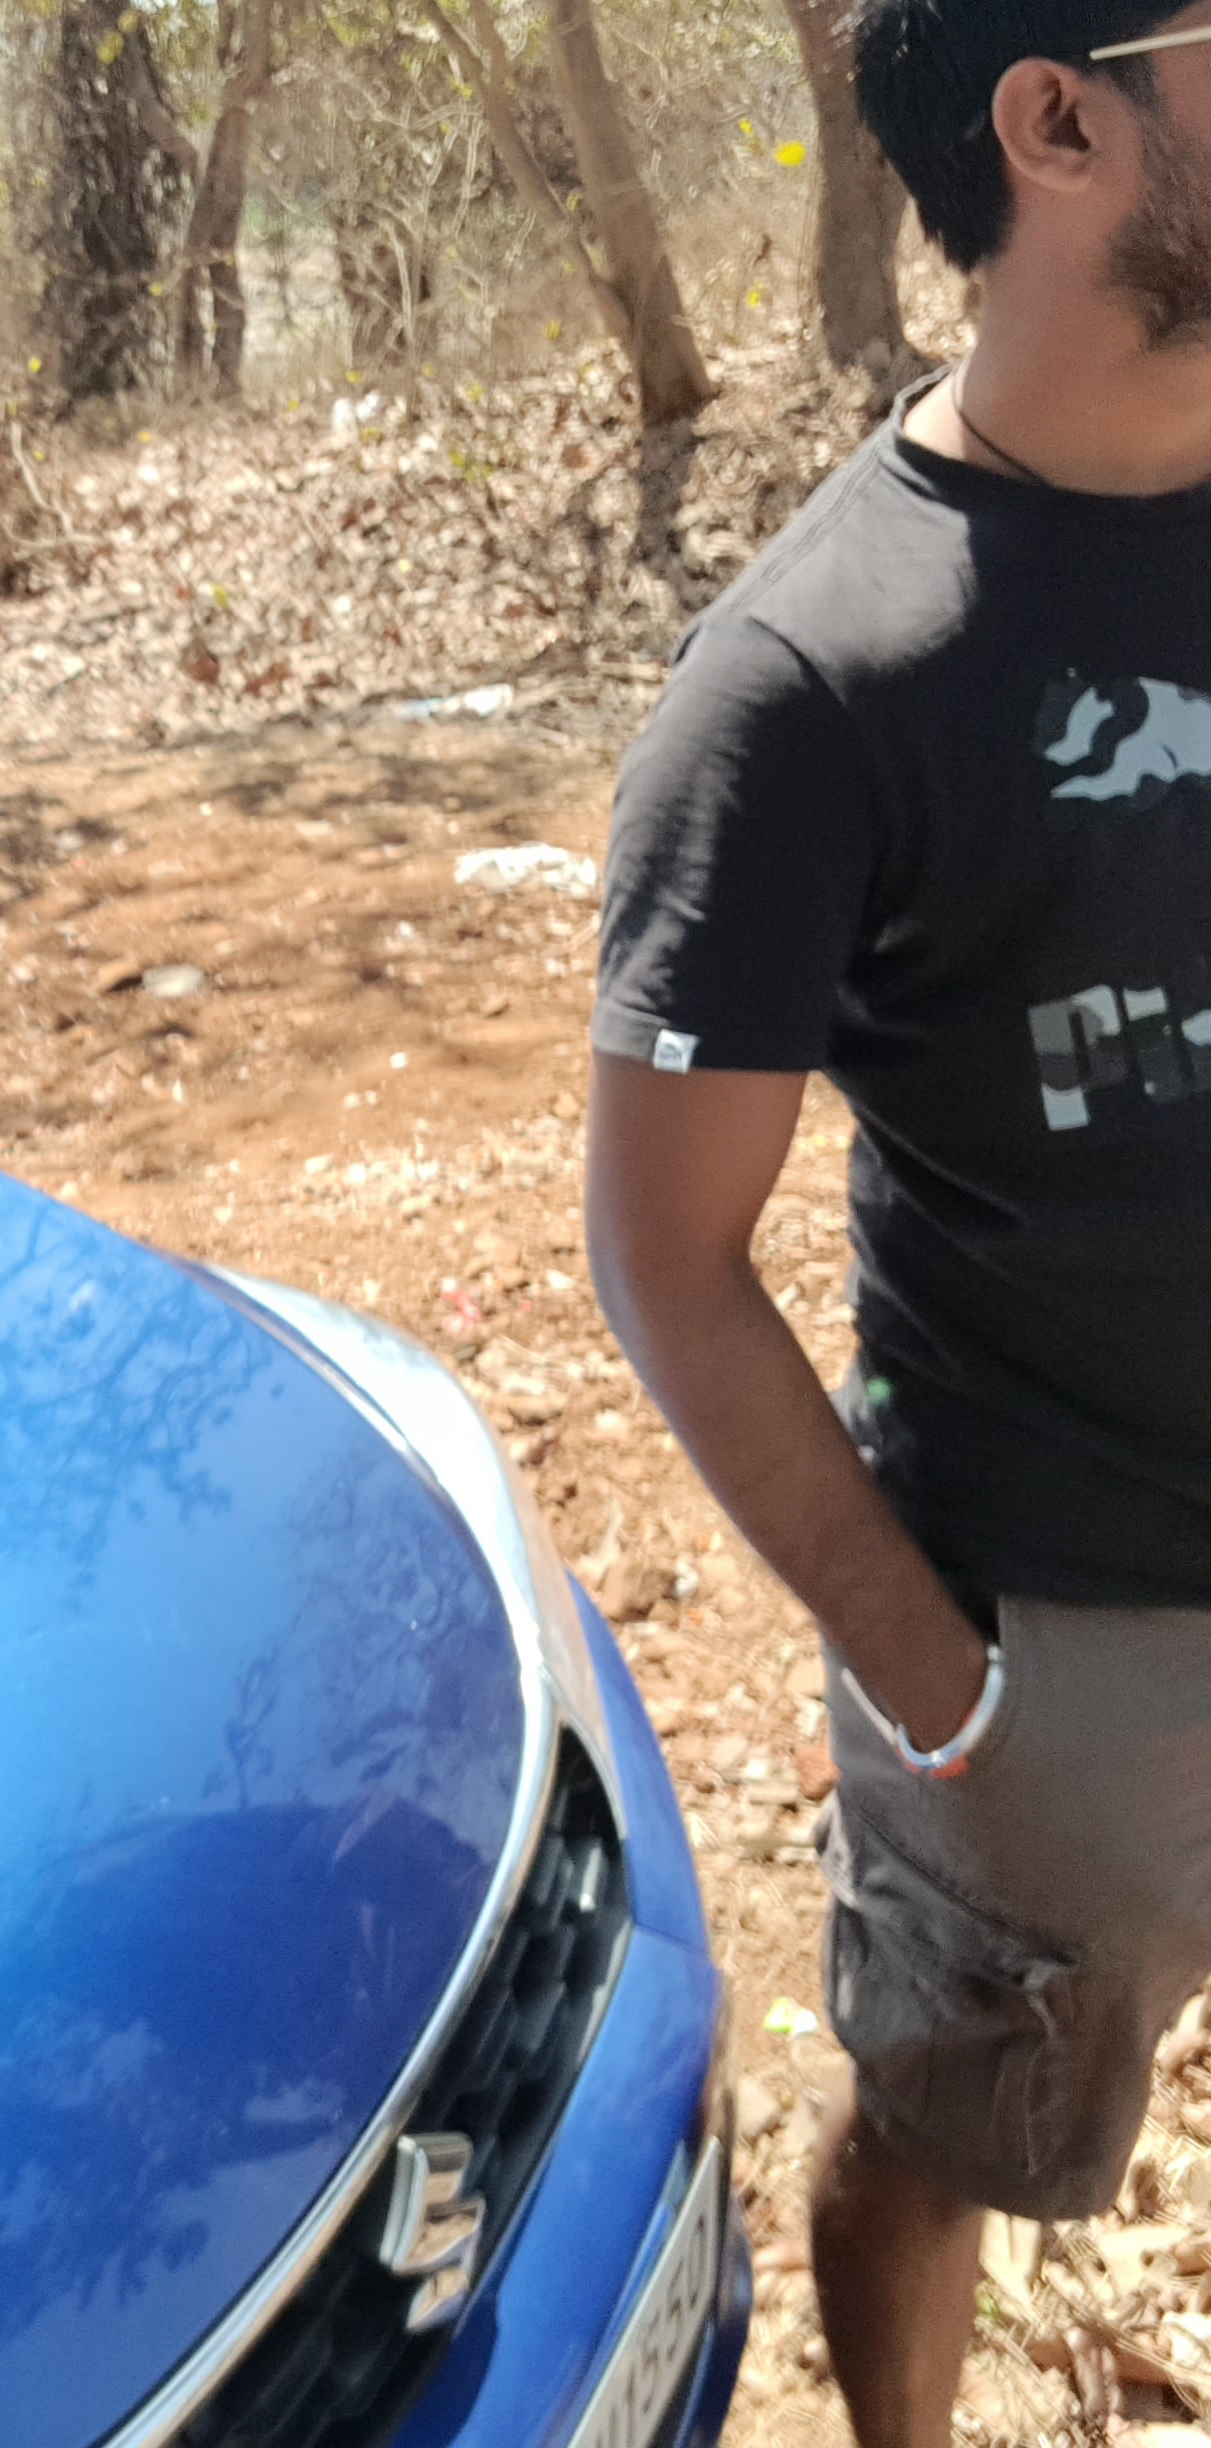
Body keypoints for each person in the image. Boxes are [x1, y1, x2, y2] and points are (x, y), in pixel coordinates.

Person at [586, 5, 1211, 2442]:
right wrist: (940, 1681)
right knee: (951, 2134)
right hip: (1060, 1634)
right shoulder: (806, 688)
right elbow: (665, 1256)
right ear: (1060, 122)